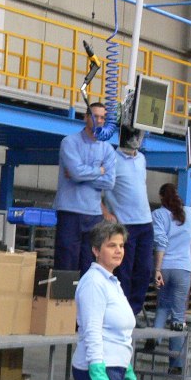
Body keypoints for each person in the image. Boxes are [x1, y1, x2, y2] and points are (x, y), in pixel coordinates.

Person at [73, 221, 137, 380]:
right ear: (96, 250)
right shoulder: (94, 283)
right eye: (111, 245)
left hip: (113, 367)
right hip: (101, 369)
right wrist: (98, 374)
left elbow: (117, 330)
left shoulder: (112, 282)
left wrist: (126, 365)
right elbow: (92, 331)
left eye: (121, 245)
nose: (118, 250)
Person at [54, 102, 116, 273]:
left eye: (102, 117)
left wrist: (81, 176)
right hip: (70, 211)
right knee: (66, 265)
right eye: (95, 116)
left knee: (90, 267)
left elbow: (109, 182)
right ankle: (64, 293)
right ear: (86, 117)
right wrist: (99, 171)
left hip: (94, 215)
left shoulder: (108, 149)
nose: (99, 120)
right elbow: (76, 173)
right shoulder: (69, 142)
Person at [150, 183, 191, 374]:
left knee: (163, 305)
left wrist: (157, 269)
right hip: (183, 268)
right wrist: (183, 246)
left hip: (165, 266)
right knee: (178, 316)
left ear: (161, 197)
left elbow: (160, 242)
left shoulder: (158, 215)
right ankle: (176, 365)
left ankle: (155, 339)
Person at [103, 130, 153, 317]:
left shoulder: (141, 159)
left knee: (145, 269)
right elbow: (98, 188)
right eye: (135, 135)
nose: (138, 139)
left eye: (140, 136)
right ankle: (122, 311)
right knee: (124, 270)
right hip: (125, 224)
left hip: (145, 222)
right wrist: (106, 213)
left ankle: (133, 311)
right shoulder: (112, 159)